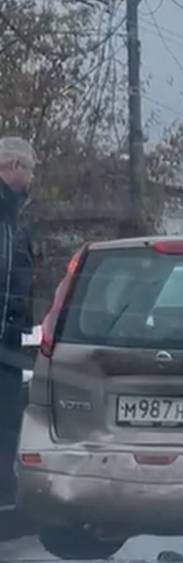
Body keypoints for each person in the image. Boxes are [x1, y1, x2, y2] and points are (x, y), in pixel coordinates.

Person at [0, 136, 35, 504]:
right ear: (13, 169)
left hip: (8, 346)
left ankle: (6, 500)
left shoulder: (15, 217)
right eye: (30, 170)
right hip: (3, 342)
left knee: (8, 424)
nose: (32, 178)